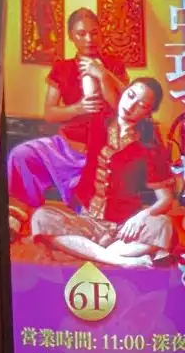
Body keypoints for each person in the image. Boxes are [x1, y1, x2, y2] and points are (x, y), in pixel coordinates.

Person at [30, 77, 180, 268]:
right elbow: (90, 89)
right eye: (130, 95)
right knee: (41, 217)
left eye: (141, 105)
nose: (131, 105)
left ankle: (88, 251)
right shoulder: (97, 122)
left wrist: (141, 216)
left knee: (163, 225)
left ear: (148, 112)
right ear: (122, 92)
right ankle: (119, 261)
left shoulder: (151, 147)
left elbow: (165, 199)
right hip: (86, 221)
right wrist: (100, 73)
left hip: (123, 226)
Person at [7, 8, 127, 212]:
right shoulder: (62, 68)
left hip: (103, 153)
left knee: (93, 213)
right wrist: (78, 108)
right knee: (20, 155)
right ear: (72, 37)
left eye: (95, 32)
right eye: (82, 34)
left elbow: (121, 107)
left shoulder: (114, 66)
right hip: (65, 149)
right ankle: (22, 211)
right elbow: (50, 114)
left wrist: (103, 75)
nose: (89, 39)